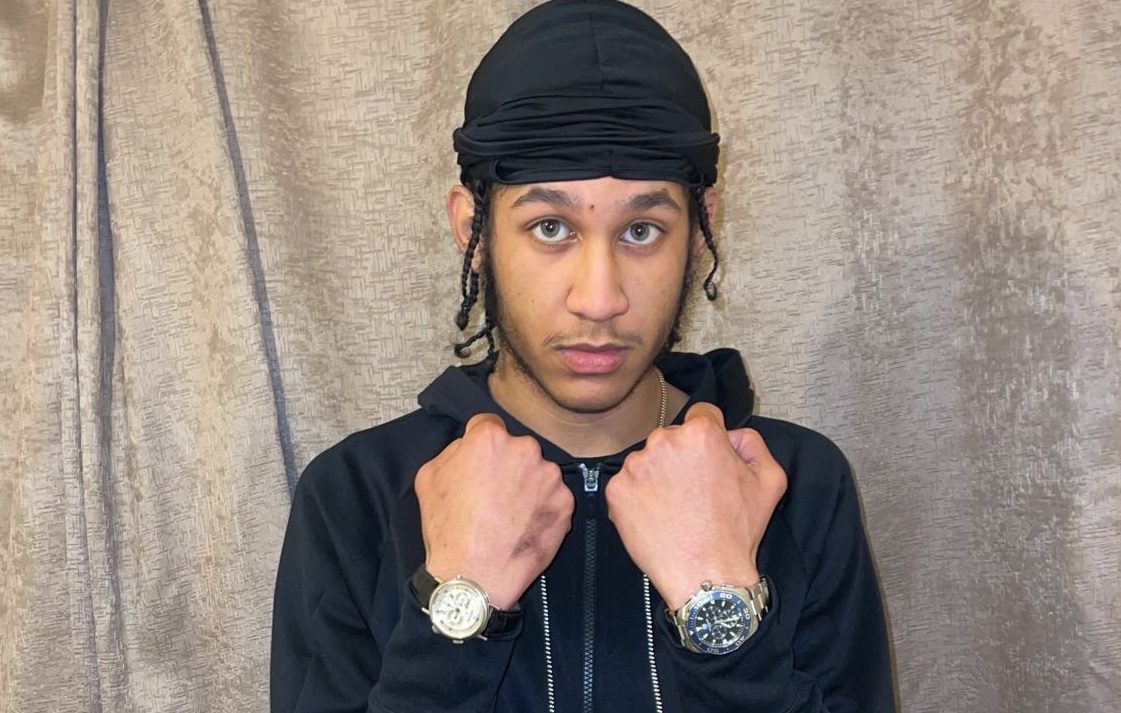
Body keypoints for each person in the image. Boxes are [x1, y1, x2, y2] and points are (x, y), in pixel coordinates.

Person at [269, 1, 896, 711]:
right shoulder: (355, 494)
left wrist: (718, 602)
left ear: (699, 232)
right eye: (549, 227)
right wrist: (459, 605)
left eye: (641, 230)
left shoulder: (793, 485)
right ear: (474, 230)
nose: (599, 300)